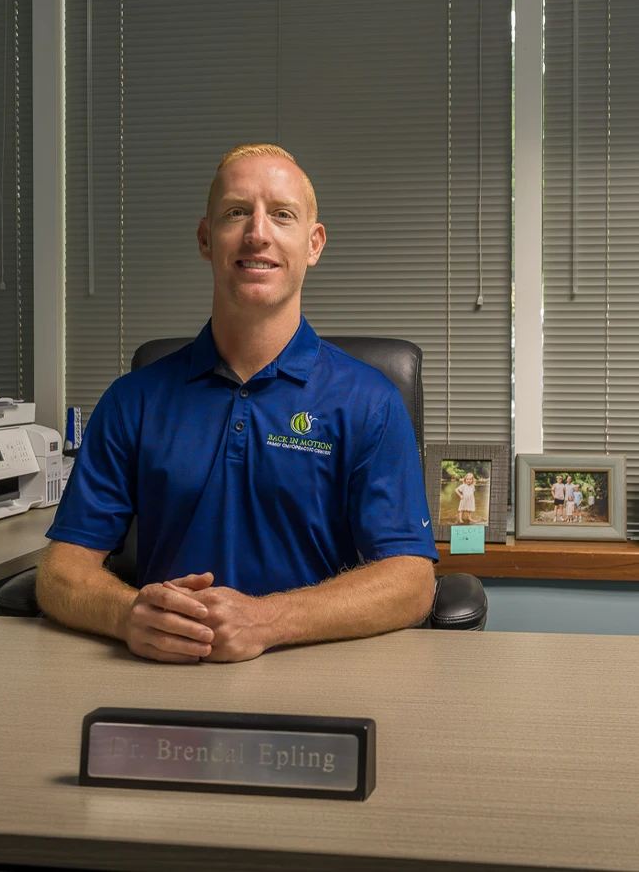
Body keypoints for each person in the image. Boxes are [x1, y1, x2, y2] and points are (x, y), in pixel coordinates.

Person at [37, 143, 438, 664]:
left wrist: (267, 621)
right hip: (161, 677)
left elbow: (412, 582)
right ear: (207, 239)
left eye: (282, 215)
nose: (258, 233)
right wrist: (128, 613)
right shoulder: (132, 401)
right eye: (236, 213)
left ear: (313, 244)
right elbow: (60, 572)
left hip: (317, 678)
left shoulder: (370, 401)